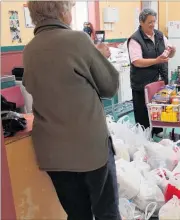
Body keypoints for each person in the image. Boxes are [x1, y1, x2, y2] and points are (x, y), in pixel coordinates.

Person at [23, 2, 121, 219]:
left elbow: (32, 87)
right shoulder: (77, 40)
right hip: (89, 149)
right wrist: (101, 56)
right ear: (62, 11)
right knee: (107, 212)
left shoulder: (29, 49)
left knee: (77, 214)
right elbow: (109, 86)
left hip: (53, 153)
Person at [128, 8, 176, 137]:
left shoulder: (159, 35)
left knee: (159, 106)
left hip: (159, 80)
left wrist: (172, 51)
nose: (153, 24)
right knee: (143, 110)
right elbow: (136, 61)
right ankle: (144, 134)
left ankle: (158, 130)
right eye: (149, 22)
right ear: (141, 22)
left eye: (154, 21)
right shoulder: (135, 39)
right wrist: (156, 60)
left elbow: (169, 53)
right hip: (143, 81)